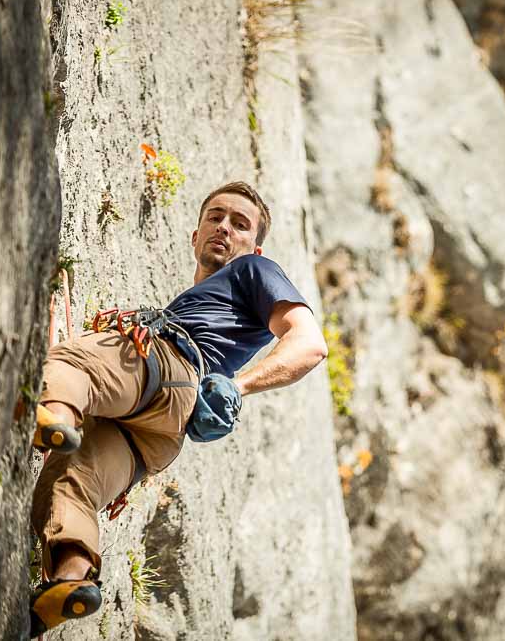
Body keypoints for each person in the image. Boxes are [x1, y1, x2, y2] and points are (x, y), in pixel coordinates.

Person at [27, 181, 328, 637]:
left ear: (256, 247)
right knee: (71, 482)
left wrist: (237, 384)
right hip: (163, 434)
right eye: (215, 217)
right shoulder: (214, 299)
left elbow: (309, 344)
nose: (224, 227)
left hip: (168, 364)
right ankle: (69, 582)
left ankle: (57, 417)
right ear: (194, 235)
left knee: (76, 362)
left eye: (239, 223)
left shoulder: (255, 270)